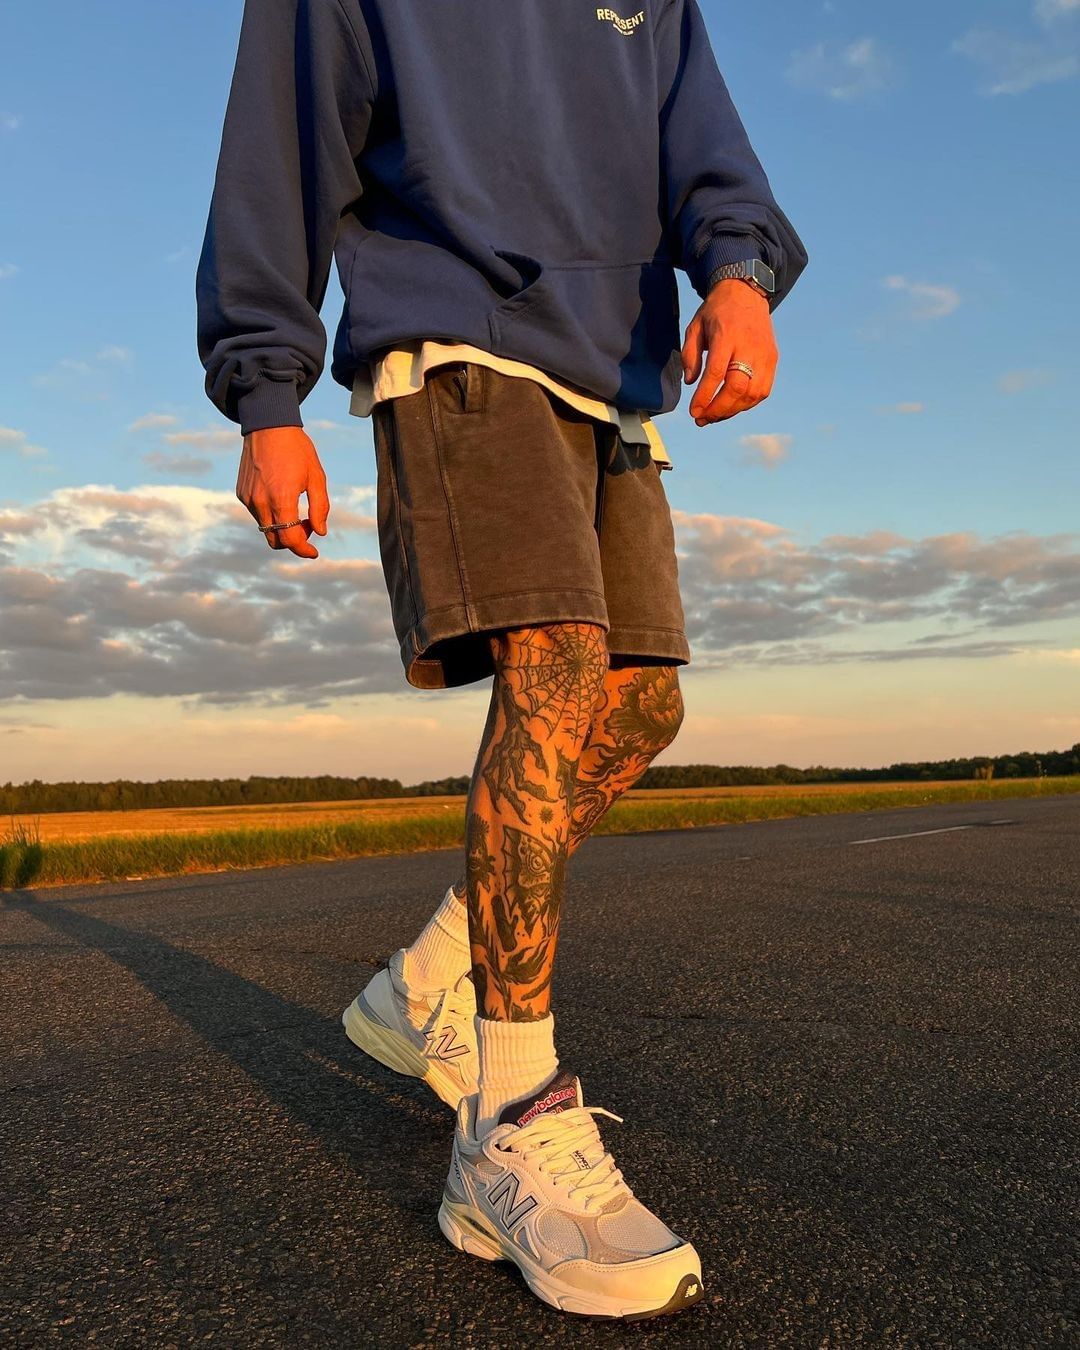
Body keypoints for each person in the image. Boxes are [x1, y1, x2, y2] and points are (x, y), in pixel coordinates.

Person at [196, 0, 807, 1320]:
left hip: (616, 368)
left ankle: (430, 977)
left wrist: (740, 276)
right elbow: (281, 149)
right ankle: (509, 1123)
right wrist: (267, 394)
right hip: (458, 329)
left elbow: (706, 148)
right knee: (557, 668)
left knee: (640, 710)